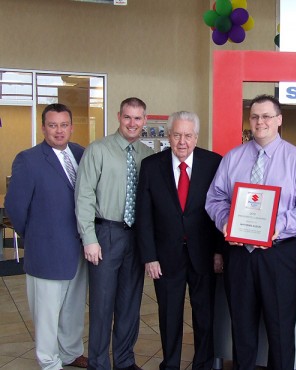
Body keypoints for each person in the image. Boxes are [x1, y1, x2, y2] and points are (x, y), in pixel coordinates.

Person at [206, 94, 296, 370]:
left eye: (267, 116)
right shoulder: (233, 158)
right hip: (240, 255)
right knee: (242, 329)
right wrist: (226, 224)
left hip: (280, 255)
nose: (260, 122)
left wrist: (277, 228)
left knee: (280, 330)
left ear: (279, 120)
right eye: (255, 116)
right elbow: (214, 198)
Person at [136, 111, 224, 370]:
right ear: (169, 136)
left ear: (196, 137)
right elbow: (144, 215)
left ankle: (204, 364)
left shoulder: (214, 163)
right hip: (165, 256)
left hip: (204, 254)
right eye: (177, 135)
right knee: (169, 315)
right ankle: (171, 363)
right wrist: (149, 256)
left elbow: (221, 209)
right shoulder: (152, 166)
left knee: (205, 315)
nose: (182, 141)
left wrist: (220, 251)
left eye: (187, 135)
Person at [5, 103, 88, 370]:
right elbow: (15, 208)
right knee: (47, 314)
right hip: (46, 252)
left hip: (78, 250)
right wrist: (35, 237)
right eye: (53, 125)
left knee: (73, 309)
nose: (59, 131)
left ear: (72, 127)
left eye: (64, 125)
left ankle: (71, 352)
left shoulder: (80, 153)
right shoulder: (28, 160)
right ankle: (49, 361)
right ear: (43, 128)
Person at [75, 97, 154, 370]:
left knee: (130, 304)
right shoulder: (98, 150)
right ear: (119, 117)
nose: (132, 123)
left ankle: (124, 360)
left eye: (138, 118)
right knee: (101, 305)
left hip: (136, 237)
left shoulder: (148, 156)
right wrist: (89, 238)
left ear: (144, 120)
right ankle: (98, 363)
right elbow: (83, 195)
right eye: (127, 117)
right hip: (105, 234)